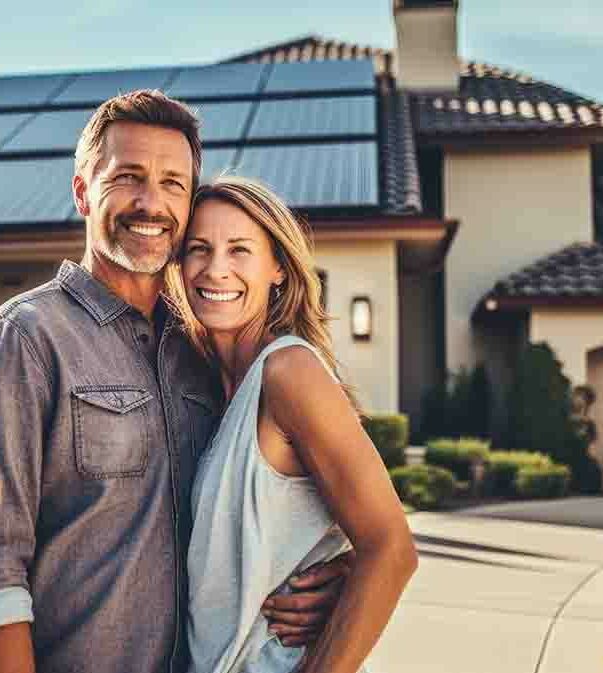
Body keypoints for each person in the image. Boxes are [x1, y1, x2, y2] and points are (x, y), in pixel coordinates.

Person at [0, 91, 352, 673]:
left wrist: (331, 574)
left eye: (174, 183)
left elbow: (264, 507)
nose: (151, 203)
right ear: (82, 190)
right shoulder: (21, 341)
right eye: (128, 177)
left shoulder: (203, 353)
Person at [164, 176, 418, 673]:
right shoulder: (205, 387)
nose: (216, 269)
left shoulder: (288, 371)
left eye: (240, 251)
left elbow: (391, 549)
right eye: (199, 249)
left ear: (277, 268)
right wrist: (338, 569)